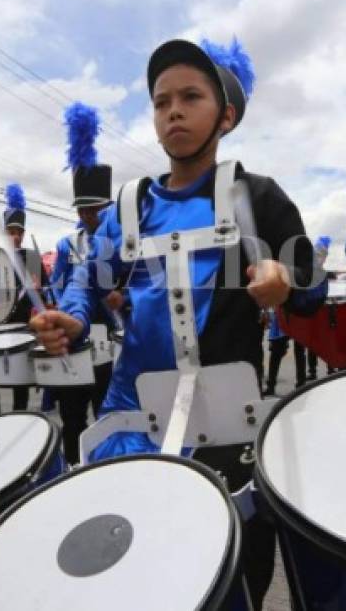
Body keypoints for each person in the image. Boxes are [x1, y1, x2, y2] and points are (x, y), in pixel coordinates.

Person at [31, 37, 326, 609]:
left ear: (227, 115)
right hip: (130, 415)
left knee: (233, 578)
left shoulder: (257, 196)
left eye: (191, 96)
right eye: (162, 100)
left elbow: (312, 282)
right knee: (130, 573)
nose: (174, 110)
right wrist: (71, 317)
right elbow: (91, 278)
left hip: (225, 423)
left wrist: (285, 280)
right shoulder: (130, 205)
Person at [47, 102, 121, 465]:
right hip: (75, 338)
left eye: (95, 209)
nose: (89, 216)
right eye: (82, 210)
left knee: (107, 413)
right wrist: (60, 311)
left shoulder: (121, 240)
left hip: (109, 341)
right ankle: (74, 467)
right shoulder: (66, 245)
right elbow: (58, 284)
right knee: (72, 416)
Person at [0, 184, 46, 417]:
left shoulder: (32, 258)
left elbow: (45, 295)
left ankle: (20, 410)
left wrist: (38, 290)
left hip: (22, 323)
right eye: (11, 231)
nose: (15, 236)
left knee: (20, 368)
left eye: (19, 231)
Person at [264, 309, 288, 396]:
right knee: (274, 364)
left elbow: (276, 327)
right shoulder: (277, 310)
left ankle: (271, 387)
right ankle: (271, 386)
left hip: (279, 339)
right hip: (278, 338)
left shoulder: (279, 310)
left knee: (273, 364)